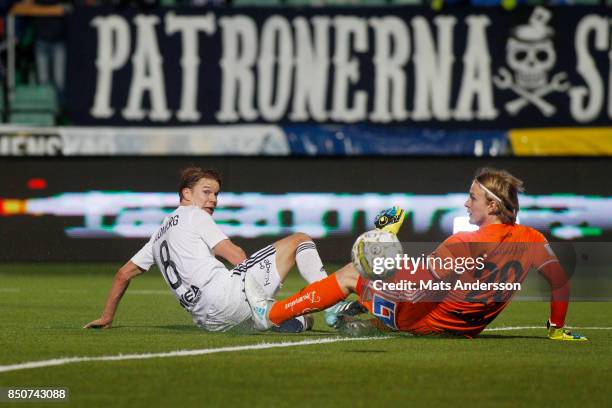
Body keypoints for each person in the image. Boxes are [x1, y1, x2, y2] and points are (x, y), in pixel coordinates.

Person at [245, 167, 587, 341]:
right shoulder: (532, 239)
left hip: (424, 325)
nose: (466, 203)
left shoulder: (461, 245)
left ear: (493, 205)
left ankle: (272, 314)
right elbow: (561, 284)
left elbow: (408, 289)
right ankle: (362, 322)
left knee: (351, 272)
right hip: (468, 330)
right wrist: (556, 328)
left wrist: (382, 254)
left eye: (472, 198)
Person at [84, 166, 328, 332]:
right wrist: (258, 293)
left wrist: (107, 317)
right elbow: (237, 256)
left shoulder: (157, 237)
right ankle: (334, 304)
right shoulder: (194, 215)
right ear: (186, 194)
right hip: (228, 298)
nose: (213, 199)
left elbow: (122, 274)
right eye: (207, 192)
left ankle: (280, 316)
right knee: (300, 240)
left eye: (216, 194)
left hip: (209, 322)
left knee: (305, 319)